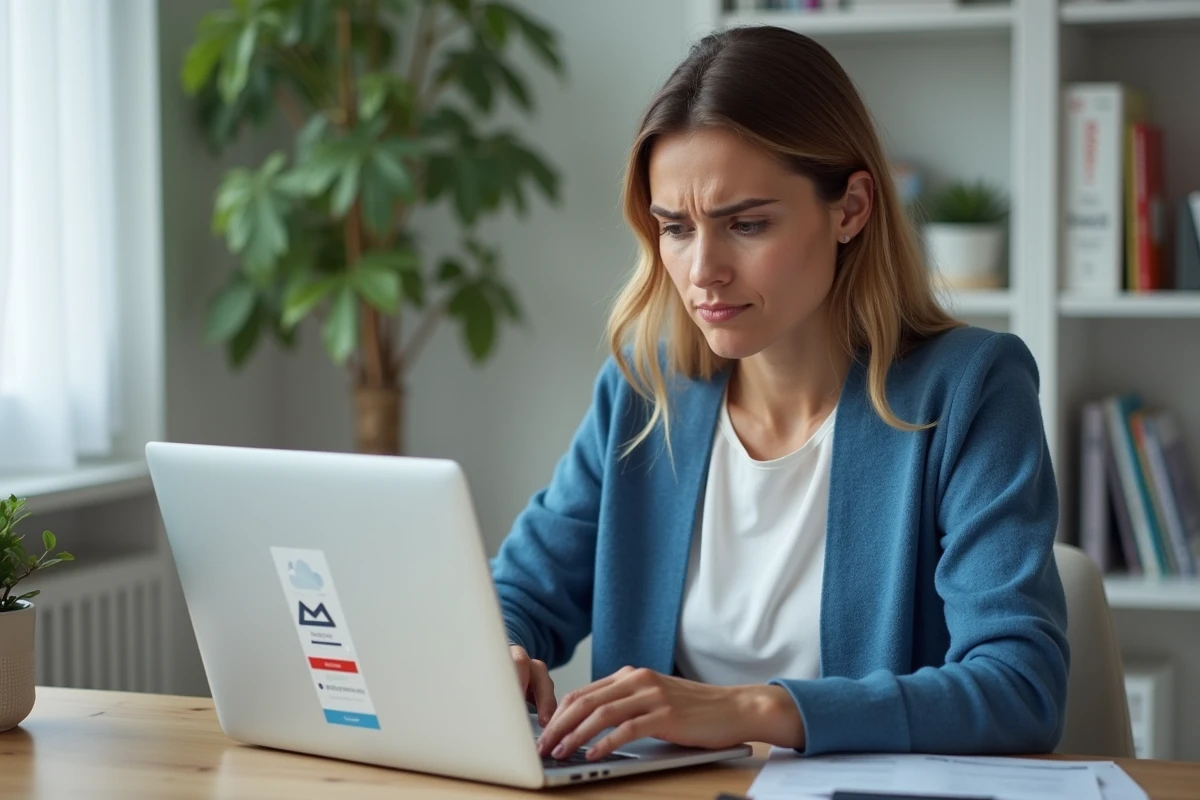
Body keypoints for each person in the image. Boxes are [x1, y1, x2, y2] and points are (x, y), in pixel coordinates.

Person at [489, 25, 1069, 763]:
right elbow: (521, 593)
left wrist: (752, 710)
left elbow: (1021, 688)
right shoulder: (646, 387)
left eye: (748, 224)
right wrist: (500, 651)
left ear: (851, 208)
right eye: (675, 228)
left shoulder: (971, 390)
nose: (703, 271)